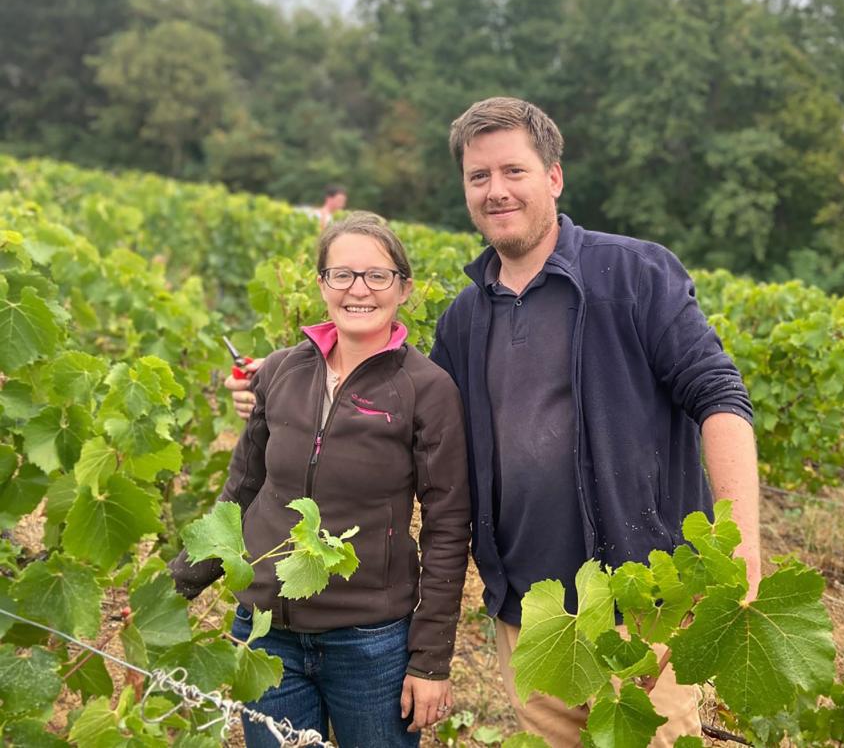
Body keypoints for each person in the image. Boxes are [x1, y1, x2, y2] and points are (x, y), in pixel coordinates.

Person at [229, 98, 761, 747]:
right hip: (531, 618)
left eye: (514, 170)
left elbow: (721, 399)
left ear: (554, 177)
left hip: (648, 611)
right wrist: (278, 399)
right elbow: (394, 426)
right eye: (479, 177)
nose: (496, 189)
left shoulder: (634, 274)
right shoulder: (463, 321)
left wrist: (740, 559)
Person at [177, 212, 470, 747]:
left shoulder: (426, 389)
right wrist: (178, 585)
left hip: (370, 643)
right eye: (342, 274)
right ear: (321, 284)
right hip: (266, 635)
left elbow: (447, 527)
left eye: (377, 276)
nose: (359, 290)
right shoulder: (281, 371)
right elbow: (241, 491)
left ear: (403, 288)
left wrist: (429, 661)